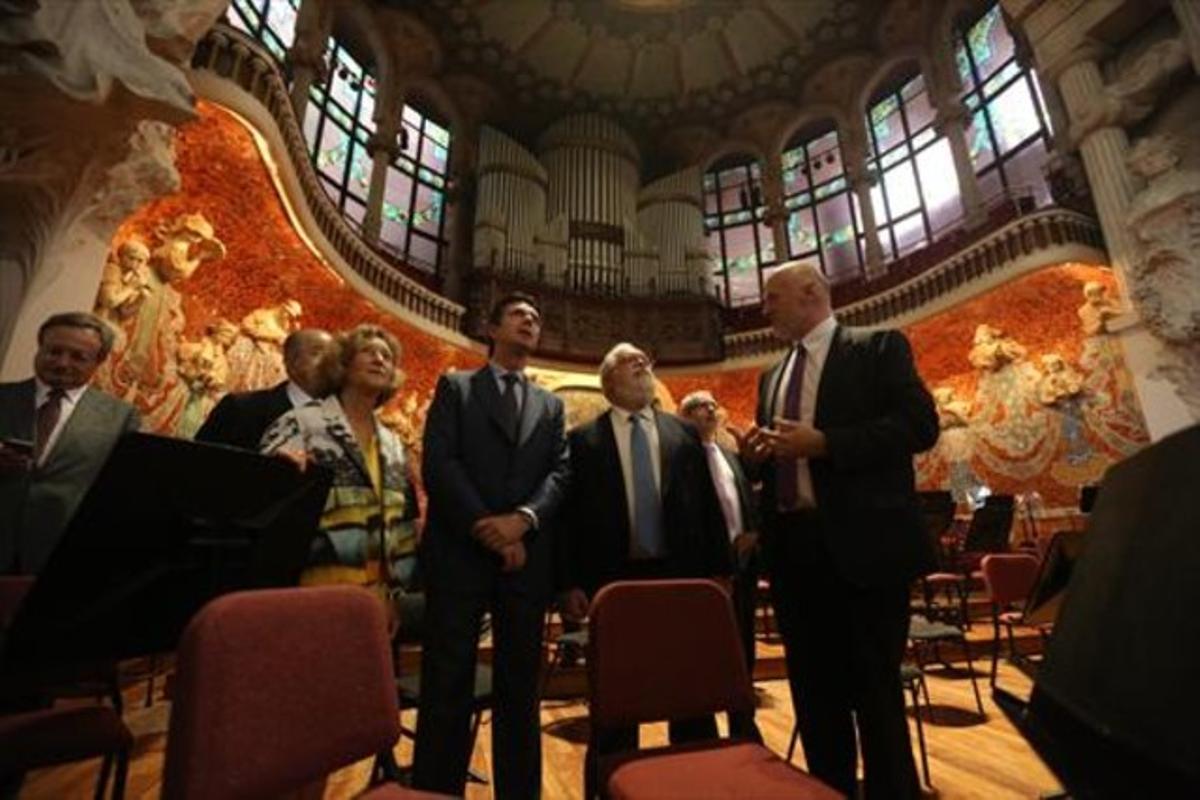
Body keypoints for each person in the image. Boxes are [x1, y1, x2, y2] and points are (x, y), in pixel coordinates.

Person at [740, 261, 938, 799]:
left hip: (865, 550)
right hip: (794, 554)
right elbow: (781, 462)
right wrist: (757, 457)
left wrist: (826, 443)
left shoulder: (877, 348)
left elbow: (920, 427)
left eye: (771, 296)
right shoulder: (770, 376)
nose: (764, 308)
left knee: (875, 694)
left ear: (809, 293)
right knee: (815, 696)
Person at [413, 292, 568, 800]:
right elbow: (441, 464)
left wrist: (522, 522)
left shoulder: (552, 404)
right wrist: (486, 525)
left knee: (520, 691)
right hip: (460, 554)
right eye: (519, 315)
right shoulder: (456, 386)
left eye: (536, 317)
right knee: (447, 685)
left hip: (525, 561)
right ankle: (437, 790)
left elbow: (559, 473)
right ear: (493, 327)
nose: (530, 321)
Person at [560, 343, 731, 753]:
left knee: (690, 694)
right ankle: (614, 779)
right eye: (627, 361)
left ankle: (694, 776)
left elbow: (708, 505)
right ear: (608, 382)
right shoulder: (582, 441)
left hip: (682, 577)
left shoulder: (684, 433)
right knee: (619, 696)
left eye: (644, 360)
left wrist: (720, 571)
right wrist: (567, 582)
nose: (641, 363)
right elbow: (568, 517)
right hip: (614, 582)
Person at [259, 324, 418, 614]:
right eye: (368, 352)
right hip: (311, 591)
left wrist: (396, 597)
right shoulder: (302, 421)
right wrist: (277, 469)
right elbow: (264, 492)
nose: (379, 359)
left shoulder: (394, 445)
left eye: (386, 356)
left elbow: (402, 529)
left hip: (376, 602)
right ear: (342, 364)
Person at [0, 312, 141, 574]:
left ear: (98, 362)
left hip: (59, 557)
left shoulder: (121, 417)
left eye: (78, 357)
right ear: (40, 349)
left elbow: (122, 492)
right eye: (54, 351)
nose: (62, 363)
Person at [678, 388, 763, 743]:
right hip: (702, 574)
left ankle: (743, 727)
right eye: (699, 406)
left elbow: (746, 502)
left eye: (713, 405)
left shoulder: (729, 457)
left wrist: (752, 536)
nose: (709, 410)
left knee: (741, 652)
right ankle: (701, 734)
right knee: (701, 658)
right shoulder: (679, 458)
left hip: (741, 569)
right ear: (683, 417)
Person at [195, 328, 333, 449]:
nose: (331, 362)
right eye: (318, 353)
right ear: (292, 361)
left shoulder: (341, 421)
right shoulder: (240, 408)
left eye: (334, 356)